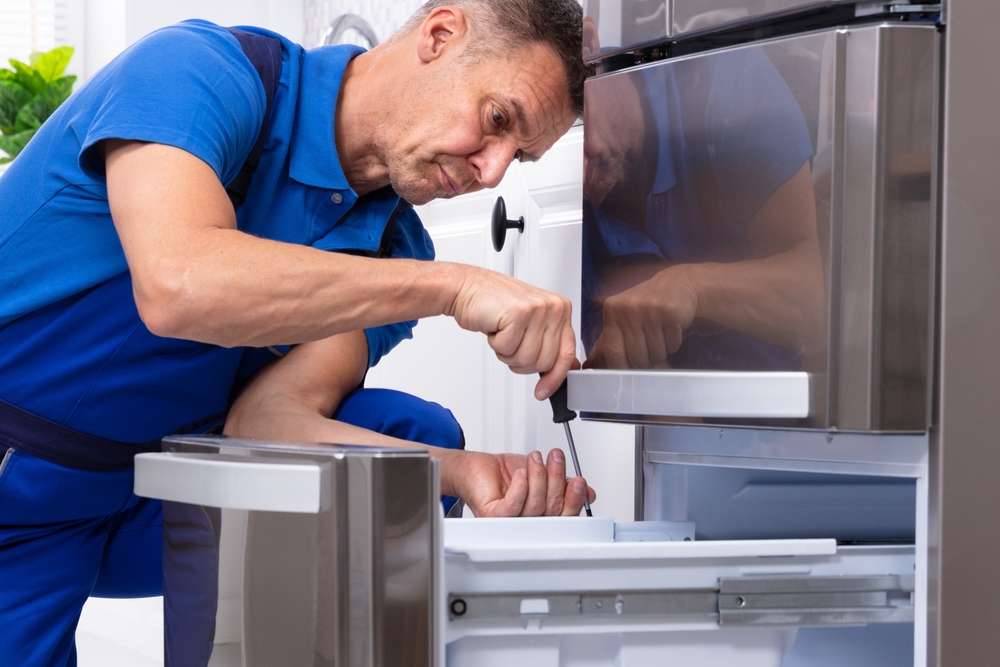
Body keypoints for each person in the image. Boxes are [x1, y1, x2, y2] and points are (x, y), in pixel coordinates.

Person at [0, 2, 594, 665]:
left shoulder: (392, 248)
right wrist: (457, 288)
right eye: (496, 121)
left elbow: (267, 419)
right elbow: (179, 283)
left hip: (149, 488)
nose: (493, 171)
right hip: (15, 494)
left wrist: (469, 475)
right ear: (440, 35)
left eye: (522, 156)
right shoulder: (202, 72)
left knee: (406, 448)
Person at [580, 38, 826, 373]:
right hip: (667, 416)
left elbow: (815, 302)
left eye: (577, 119)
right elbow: (630, 369)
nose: (578, 172)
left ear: (594, 51)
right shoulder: (560, 212)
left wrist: (692, 287)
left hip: (786, 403)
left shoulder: (728, 83)